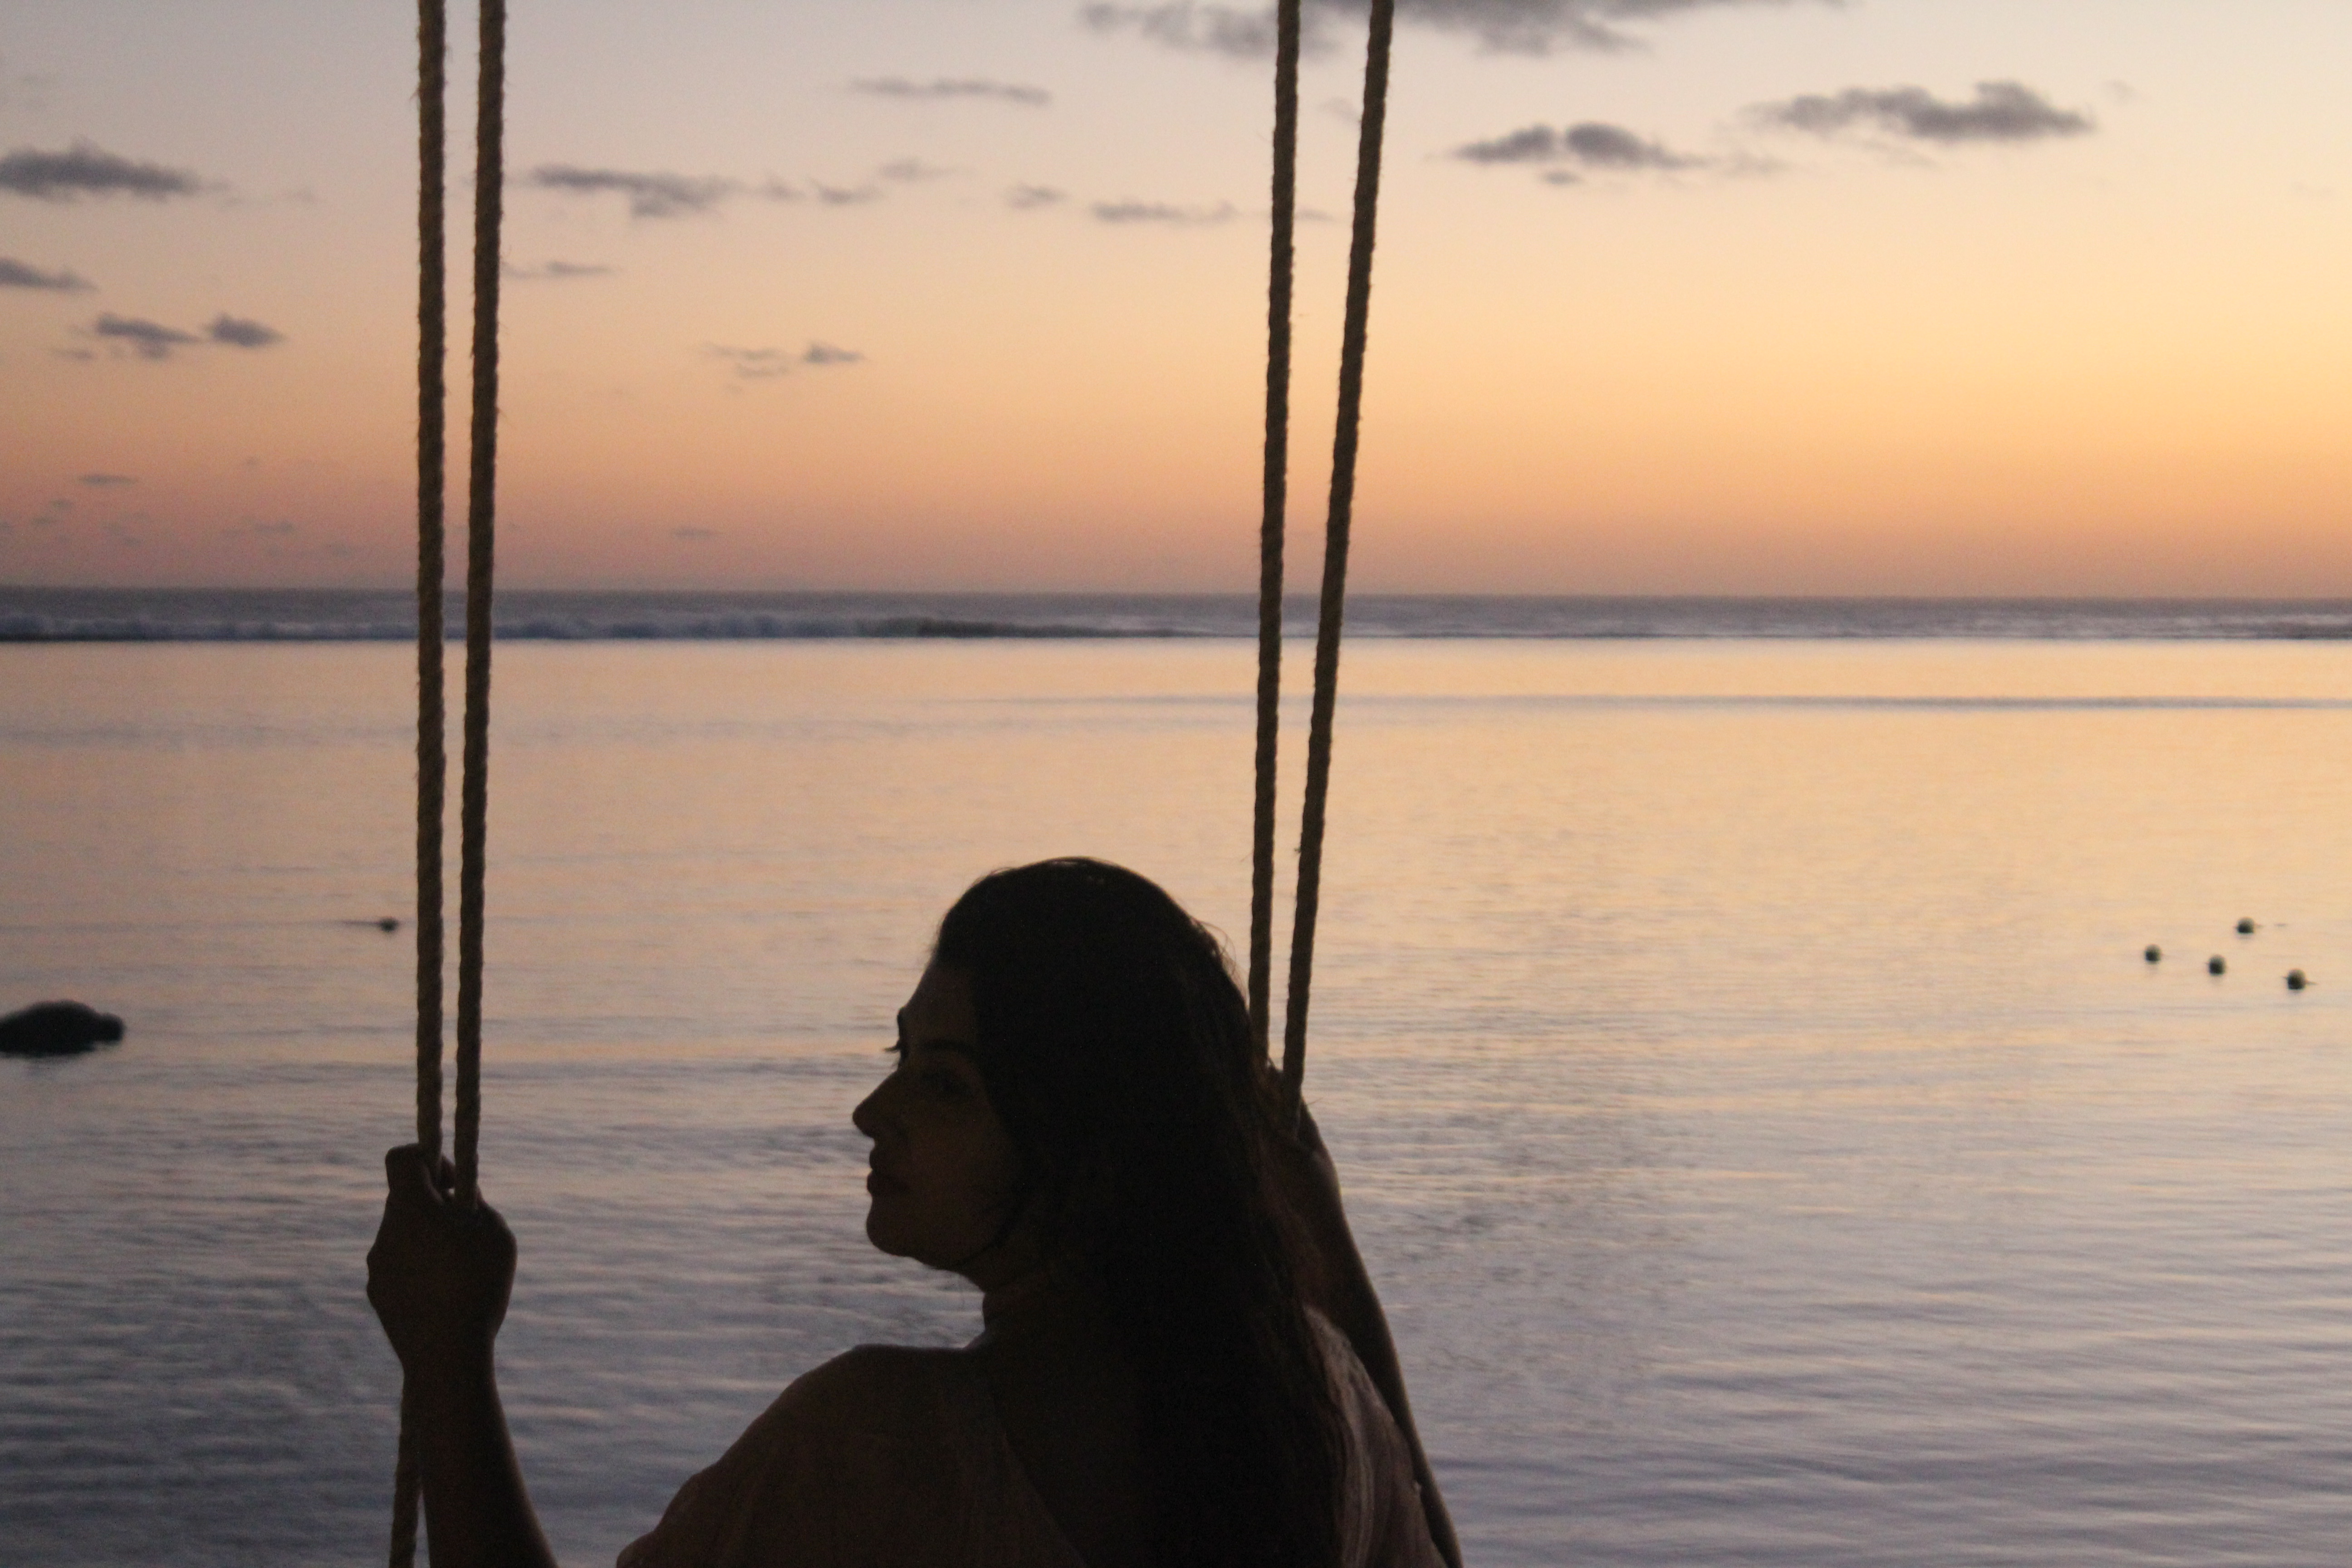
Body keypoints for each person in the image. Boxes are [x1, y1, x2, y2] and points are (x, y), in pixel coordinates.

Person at [369, 858, 1461, 1568]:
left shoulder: (876, 1446)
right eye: (900, 1057)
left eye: (944, 1084)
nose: (871, 1113)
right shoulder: (1320, 1406)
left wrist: (449, 1356)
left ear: (1086, 1142)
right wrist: (1332, 1260)